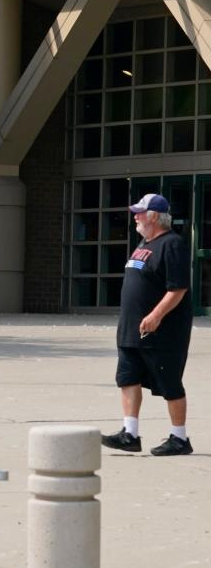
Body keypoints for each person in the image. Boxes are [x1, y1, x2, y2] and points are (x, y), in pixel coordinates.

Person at [102, 193, 193, 456]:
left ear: (154, 216)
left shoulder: (172, 244)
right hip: (132, 329)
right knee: (127, 378)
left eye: (140, 212)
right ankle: (129, 434)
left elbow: (178, 288)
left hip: (163, 332)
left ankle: (179, 438)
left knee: (169, 382)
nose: (135, 217)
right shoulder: (144, 243)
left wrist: (155, 316)